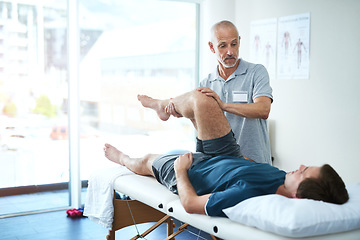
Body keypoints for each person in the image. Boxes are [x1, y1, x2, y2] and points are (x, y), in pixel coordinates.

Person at [104, 90, 349, 217]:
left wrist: (180, 171)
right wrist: (197, 124)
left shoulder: (249, 195)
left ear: (298, 196)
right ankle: (163, 106)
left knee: (146, 160)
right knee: (204, 99)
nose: (302, 165)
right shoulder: (282, 177)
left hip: (194, 171)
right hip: (227, 156)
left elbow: (190, 204)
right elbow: (249, 166)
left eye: (305, 173)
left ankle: (122, 158)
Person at [167, 20, 273, 164]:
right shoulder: (206, 84)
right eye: (223, 46)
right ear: (212, 47)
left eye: (234, 44)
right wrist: (188, 116)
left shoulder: (256, 72)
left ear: (239, 42)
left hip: (255, 163)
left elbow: (263, 109)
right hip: (223, 164)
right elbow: (204, 132)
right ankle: (166, 105)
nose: (230, 52)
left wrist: (223, 105)